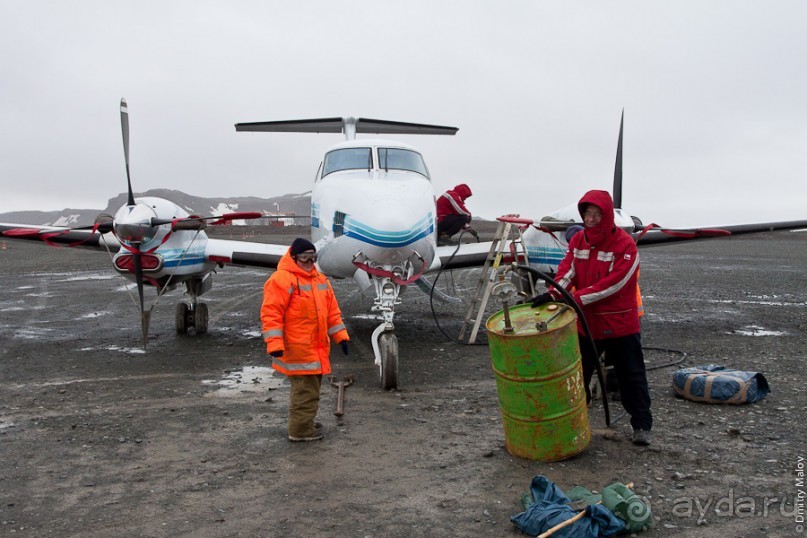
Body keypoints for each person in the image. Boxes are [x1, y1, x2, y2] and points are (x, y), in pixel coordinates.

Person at [530, 190, 653, 446]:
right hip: (588, 324)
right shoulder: (578, 243)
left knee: (631, 376)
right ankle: (572, 421)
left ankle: (641, 425)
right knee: (577, 374)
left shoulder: (625, 245)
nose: (591, 219)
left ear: (607, 215)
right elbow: (568, 271)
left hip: (620, 325)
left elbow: (615, 284)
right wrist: (553, 293)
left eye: (597, 214)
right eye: (587, 214)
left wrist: (573, 299)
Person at [260, 238, 350, 442]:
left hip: (316, 350)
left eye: (313, 257)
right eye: (304, 258)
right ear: (293, 258)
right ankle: (300, 431)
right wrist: (274, 344)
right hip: (298, 351)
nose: (309, 262)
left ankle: (305, 423)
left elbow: (332, 313)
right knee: (305, 394)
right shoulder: (281, 280)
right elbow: (271, 314)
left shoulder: (320, 280)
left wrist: (341, 337)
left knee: (311, 391)